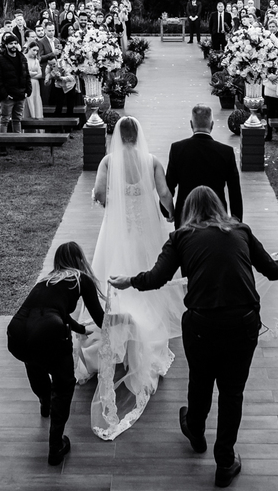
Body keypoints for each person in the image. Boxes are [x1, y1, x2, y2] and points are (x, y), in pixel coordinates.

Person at [109, 187, 278, 489]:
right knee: (232, 393)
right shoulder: (241, 230)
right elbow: (272, 272)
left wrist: (128, 280)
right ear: (219, 207)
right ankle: (224, 462)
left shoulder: (181, 237)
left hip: (202, 325)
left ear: (188, 212)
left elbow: (157, 278)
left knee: (201, 379)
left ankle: (195, 429)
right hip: (243, 324)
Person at [76, 117, 186, 440]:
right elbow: (165, 193)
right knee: (148, 279)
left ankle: (115, 340)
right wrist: (168, 212)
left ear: (116, 137)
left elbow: (98, 193)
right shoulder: (150, 161)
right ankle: (145, 337)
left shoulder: (109, 161)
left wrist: (111, 204)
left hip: (117, 232)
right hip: (145, 232)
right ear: (138, 135)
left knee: (112, 282)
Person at [8, 241, 105, 466]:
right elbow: (100, 318)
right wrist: (120, 321)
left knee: (35, 362)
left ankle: (44, 401)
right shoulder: (82, 279)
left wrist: (79, 329)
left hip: (16, 331)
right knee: (64, 384)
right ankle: (55, 446)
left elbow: (53, 309)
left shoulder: (46, 280)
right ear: (80, 259)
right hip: (49, 330)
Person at [165, 104, 243, 226]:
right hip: (217, 216)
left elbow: (169, 184)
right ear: (212, 125)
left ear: (191, 124)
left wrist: (167, 211)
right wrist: (237, 219)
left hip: (185, 215)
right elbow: (234, 191)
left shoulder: (177, 149)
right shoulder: (225, 152)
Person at [0, 33, 30, 154]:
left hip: (21, 95)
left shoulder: (22, 57)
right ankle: (1, 145)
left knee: (17, 119)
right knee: (4, 120)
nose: (13, 46)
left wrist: (28, 90)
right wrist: (4, 95)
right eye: (11, 44)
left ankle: (18, 142)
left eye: (15, 43)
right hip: (7, 96)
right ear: (6, 45)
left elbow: (27, 75)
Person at [24, 41, 44, 121]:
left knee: (36, 99)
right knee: (28, 100)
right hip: (27, 83)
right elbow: (23, 73)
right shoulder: (24, 58)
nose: (35, 52)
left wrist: (30, 74)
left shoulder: (36, 60)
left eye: (37, 51)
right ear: (29, 49)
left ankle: (36, 116)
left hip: (35, 84)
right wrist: (33, 74)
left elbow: (40, 74)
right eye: (34, 50)